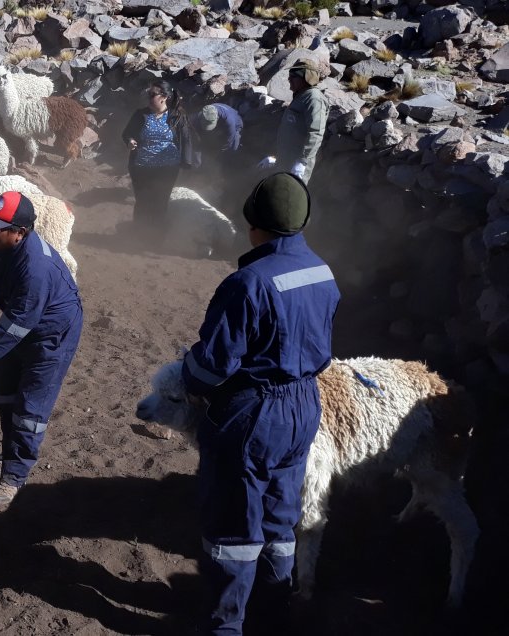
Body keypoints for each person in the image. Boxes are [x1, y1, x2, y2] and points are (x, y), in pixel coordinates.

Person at [181, 173, 340, 635]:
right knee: (280, 515)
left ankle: (226, 626)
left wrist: (189, 376)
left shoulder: (247, 283)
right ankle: (274, 610)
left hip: (253, 413)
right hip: (305, 404)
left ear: (255, 224)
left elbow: (212, 366)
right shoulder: (323, 272)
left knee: (234, 526)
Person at [0, 192, 83, 506]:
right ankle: (10, 454)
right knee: (2, 389)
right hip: (19, 324)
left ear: (19, 233)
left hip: (52, 334)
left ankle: (14, 476)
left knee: (30, 407)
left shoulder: (36, 268)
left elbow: (15, 324)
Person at [121, 80, 200, 245]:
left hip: (167, 168)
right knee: (142, 200)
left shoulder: (176, 116)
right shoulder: (140, 114)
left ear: (164, 97)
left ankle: (156, 238)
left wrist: (187, 164)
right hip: (141, 167)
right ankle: (138, 234)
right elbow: (127, 133)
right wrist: (130, 140)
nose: (148, 98)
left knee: (160, 201)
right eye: (148, 94)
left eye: (152, 95)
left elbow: (186, 140)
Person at [259, 59, 329, 184]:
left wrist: (302, 162)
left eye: (293, 76)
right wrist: (276, 157)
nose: (289, 79)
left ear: (306, 78)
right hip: (285, 159)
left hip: (297, 163)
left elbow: (315, 132)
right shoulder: (301, 96)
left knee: (289, 198)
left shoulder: (314, 98)